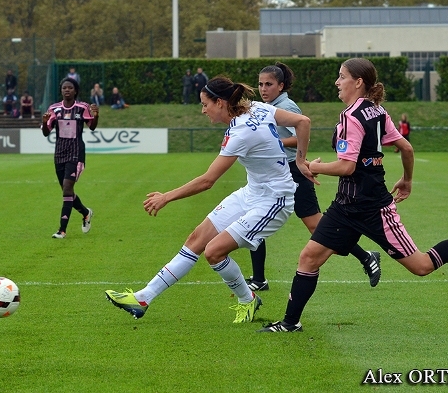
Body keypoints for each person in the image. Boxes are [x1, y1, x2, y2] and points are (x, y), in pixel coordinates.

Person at [258, 58, 448, 333]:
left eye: (341, 76)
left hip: (373, 208)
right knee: (309, 257)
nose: (337, 82)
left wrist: (313, 166)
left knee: (421, 266)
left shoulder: (352, 116)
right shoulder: (377, 111)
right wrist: (406, 179)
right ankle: (290, 323)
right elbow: (406, 148)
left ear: (358, 82)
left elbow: (347, 166)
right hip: (345, 207)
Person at [104, 75, 316, 323]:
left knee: (213, 251)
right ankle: (143, 298)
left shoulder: (241, 132)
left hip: (274, 200)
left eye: (205, 104)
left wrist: (166, 197)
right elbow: (303, 121)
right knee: (196, 239)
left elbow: (207, 181)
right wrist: (300, 160)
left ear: (220, 103)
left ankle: (248, 299)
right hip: (252, 192)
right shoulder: (257, 107)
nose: (203, 110)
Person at [247, 62, 381, 293]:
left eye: (268, 84)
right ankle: (259, 278)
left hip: (293, 172)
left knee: (316, 227)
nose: (263, 88)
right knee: (254, 220)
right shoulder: (266, 107)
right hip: (272, 174)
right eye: (260, 84)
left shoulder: (287, 106)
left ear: (281, 86)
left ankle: (366, 256)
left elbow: (300, 137)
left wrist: (268, 143)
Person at [41, 77, 98, 239]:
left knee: (67, 189)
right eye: (64, 88)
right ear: (61, 90)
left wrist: (96, 116)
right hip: (59, 153)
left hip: (76, 153)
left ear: (75, 91)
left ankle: (62, 230)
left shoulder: (82, 107)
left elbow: (92, 127)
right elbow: (46, 132)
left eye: (70, 88)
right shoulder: (54, 109)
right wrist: (45, 123)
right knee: (68, 192)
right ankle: (86, 213)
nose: (67, 90)